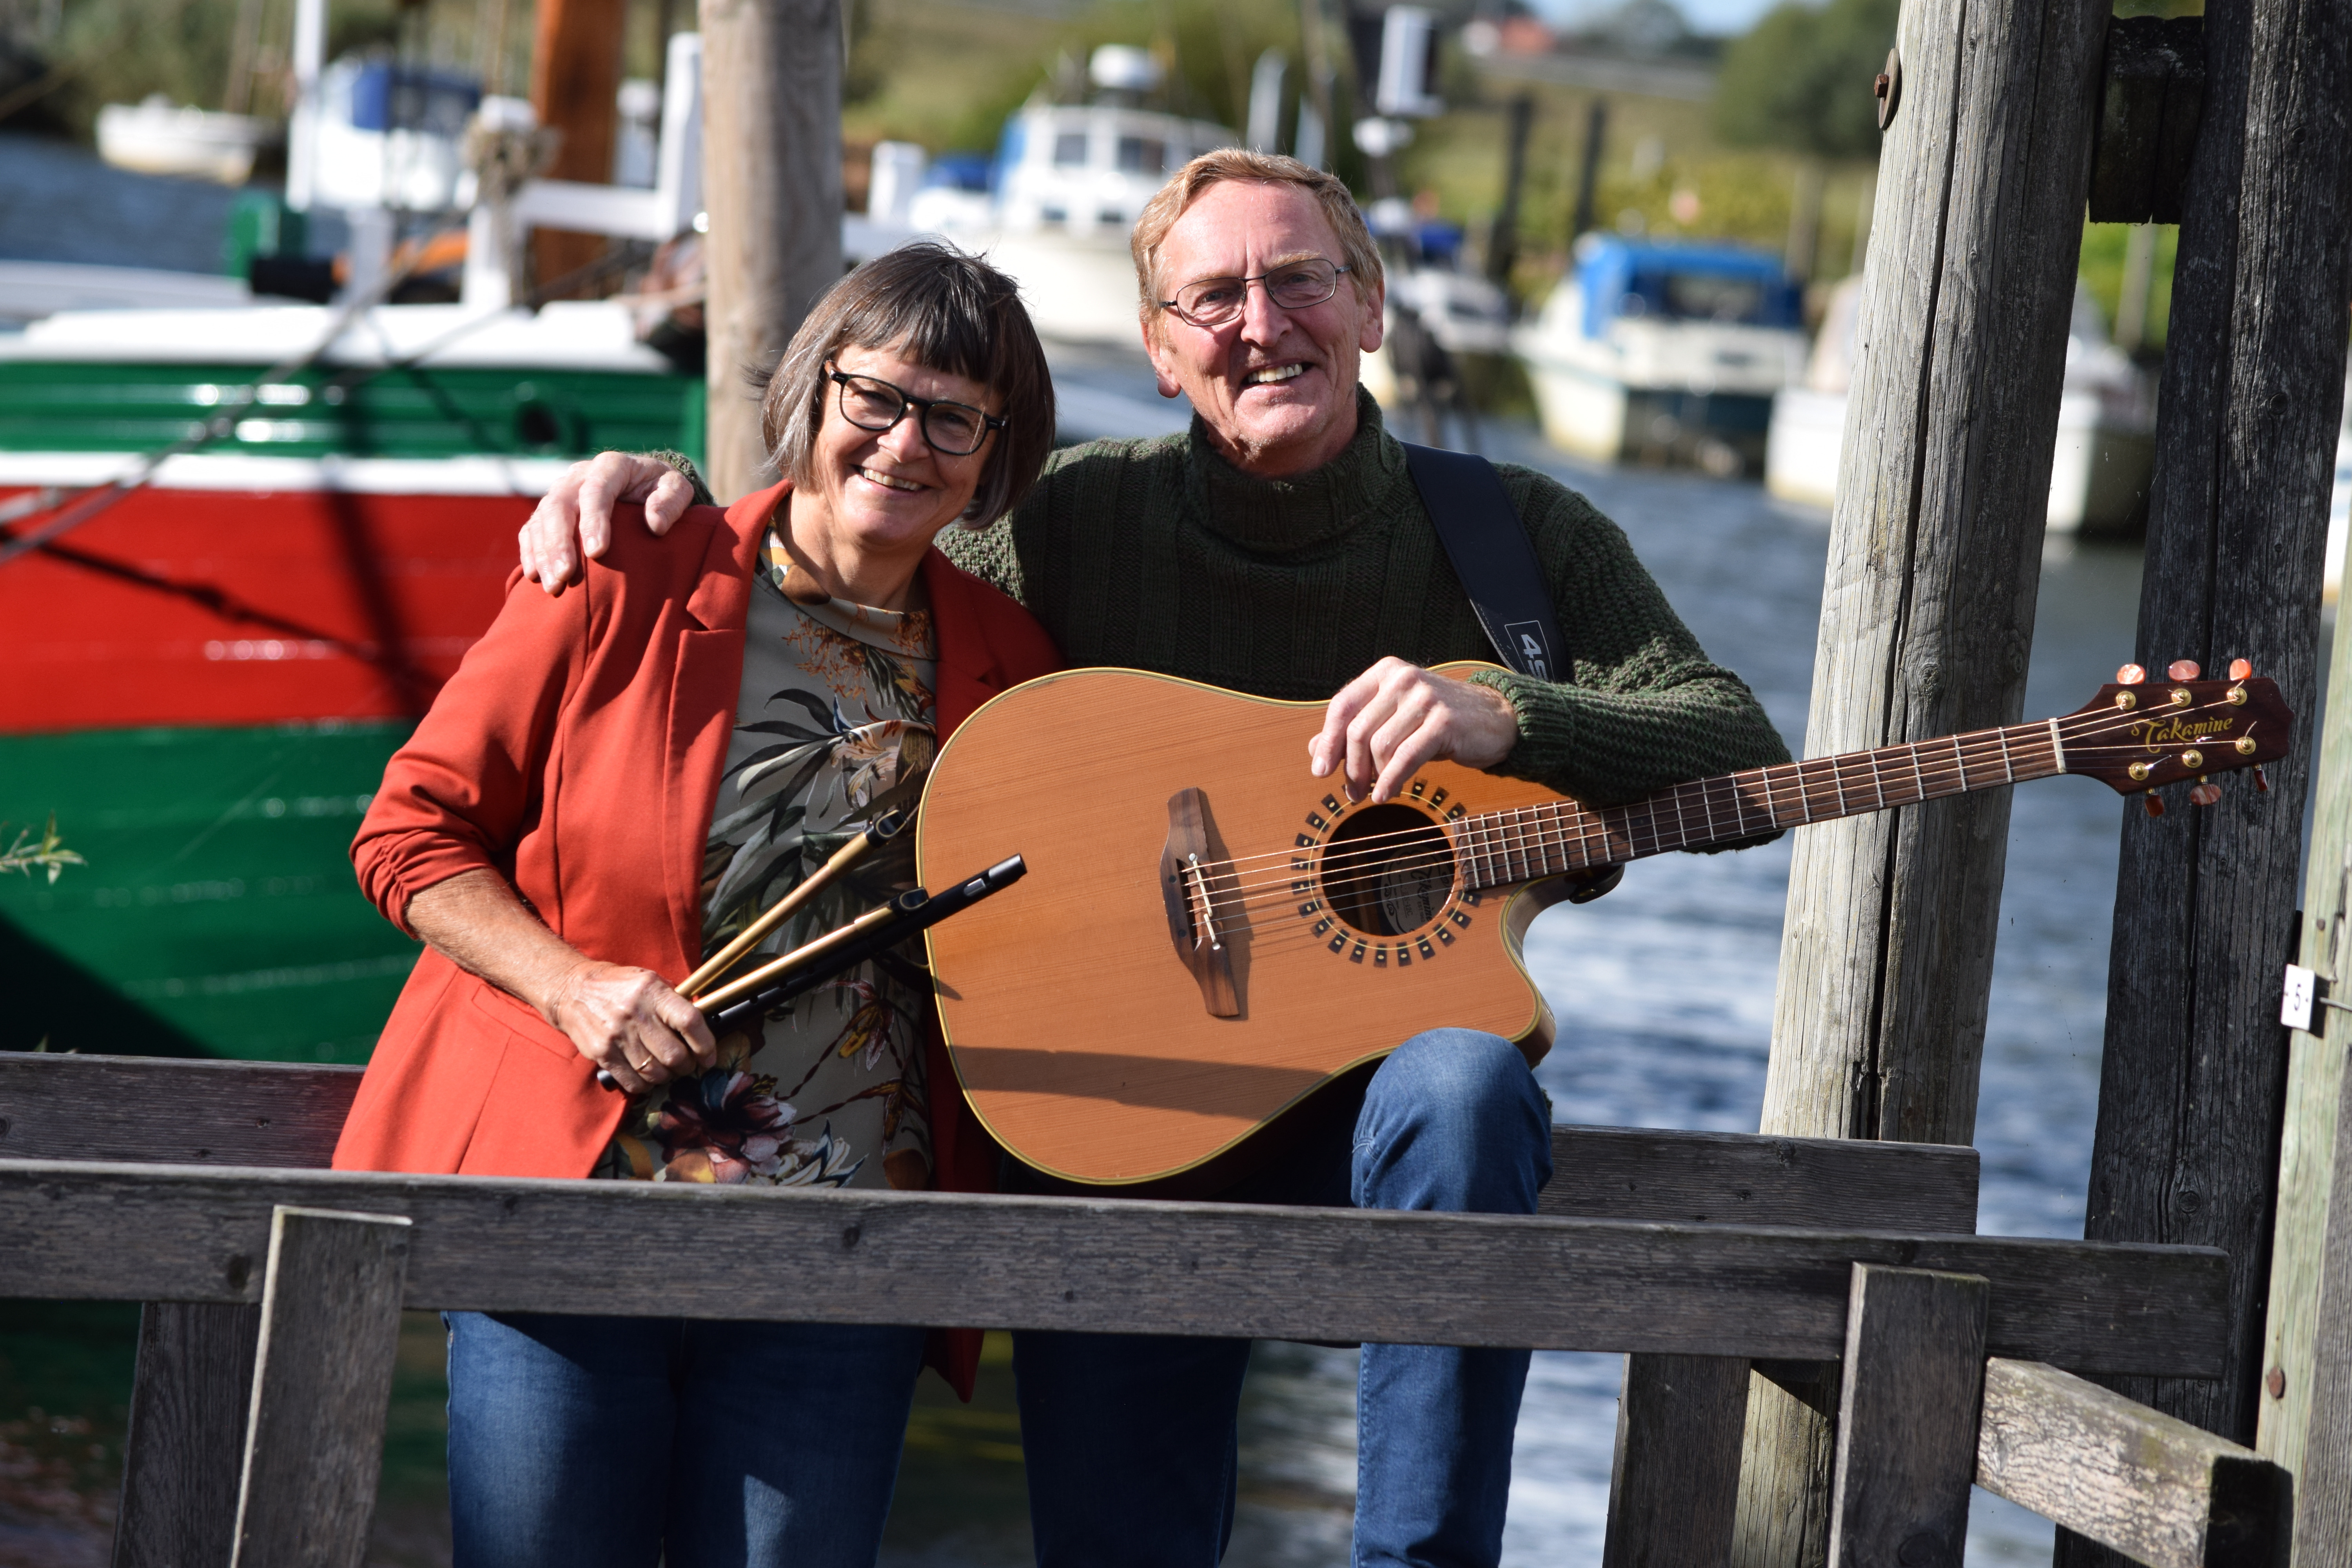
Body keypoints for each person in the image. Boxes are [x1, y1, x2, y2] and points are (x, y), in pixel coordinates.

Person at [519, 152, 1793, 1568]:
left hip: (1372, 1115)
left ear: (1370, 305)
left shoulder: (1515, 538)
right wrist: (668, 507)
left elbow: (1741, 752)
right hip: (1122, 1109)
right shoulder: (1069, 521)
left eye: (1300, 279)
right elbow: (845, 569)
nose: (1264, 322)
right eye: (1215, 297)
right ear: (1159, 351)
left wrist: (1515, 715)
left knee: (1468, 1084)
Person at [332, 242, 1063, 1568]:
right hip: (574, 1215)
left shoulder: (1014, 664)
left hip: (846, 1255)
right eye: (877, 397)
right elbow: (410, 834)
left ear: (994, 453)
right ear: (813, 388)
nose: (907, 443)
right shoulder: (626, 567)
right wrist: (570, 985)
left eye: (955, 418)